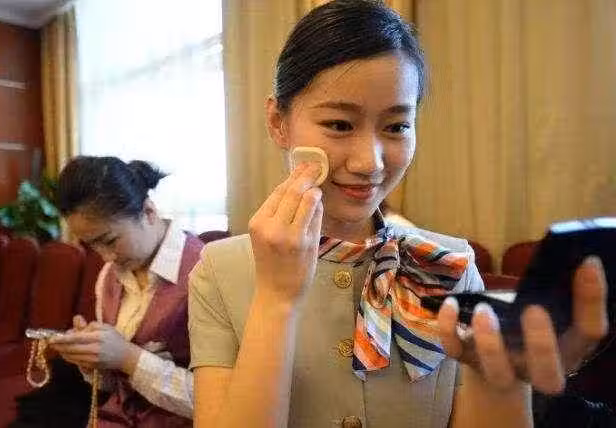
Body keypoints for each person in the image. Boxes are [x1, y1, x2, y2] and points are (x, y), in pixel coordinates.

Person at [187, 1, 609, 427]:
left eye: (396, 127)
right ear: (278, 122)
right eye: (339, 124)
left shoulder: (449, 266)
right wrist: (276, 300)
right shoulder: (219, 272)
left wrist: (504, 378)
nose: (369, 162)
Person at [49, 156, 202, 427]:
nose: (105, 257)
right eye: (92, 245)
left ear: (148, 212)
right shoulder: (108, 277)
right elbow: (113, 385)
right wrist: (92, 359)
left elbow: (226, 398)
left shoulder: (206, 271)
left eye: (109, 240)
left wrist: (128, 357)